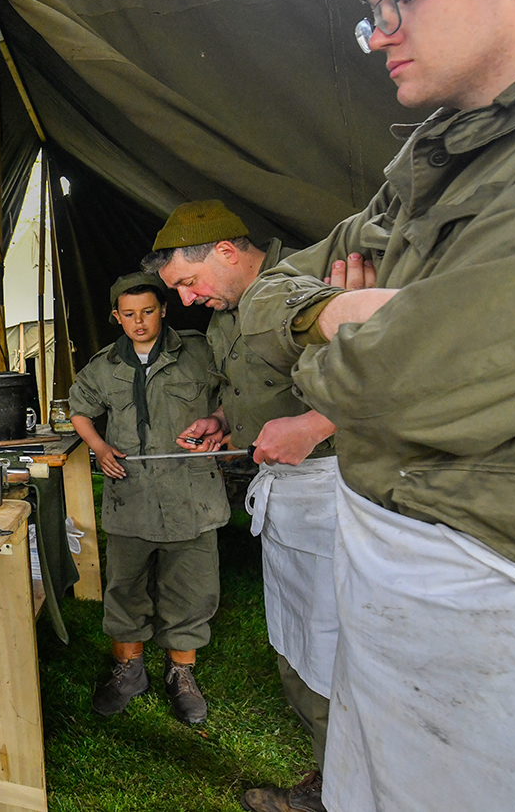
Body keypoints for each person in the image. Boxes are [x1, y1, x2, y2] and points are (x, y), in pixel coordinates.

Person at [238, 0, 515, 809]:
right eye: (371, 11)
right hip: (402, 582)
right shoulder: (435, 151)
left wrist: (345, 340)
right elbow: (266, 299)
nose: (376, 36)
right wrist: (340, 312)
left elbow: (398, 384)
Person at [142, 200, 372, 812]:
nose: (186, 301)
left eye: (188, 284)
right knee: (300, 644)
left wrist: (316, 426)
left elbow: (386, 366)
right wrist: (222, 420)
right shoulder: (226, 316)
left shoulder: (306, 284)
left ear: (224, 251)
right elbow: (253, 387)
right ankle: (334, 781)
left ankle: (359, 791)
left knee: (339, 651)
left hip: (341, 492)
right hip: (288, 495)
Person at [69, 272, 228, 725]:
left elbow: (232, 394)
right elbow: (79, 408)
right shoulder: (104, 366)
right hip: (131, 495)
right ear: (116, 317)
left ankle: (181, 674)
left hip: (191, 492)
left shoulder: (199, 352)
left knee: (191, 588)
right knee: (125, 588)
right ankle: (129, 670)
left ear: (164, 310)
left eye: (148, 312)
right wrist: (99, 447)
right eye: (129, 314)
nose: (139, 322)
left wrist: (218, 421)